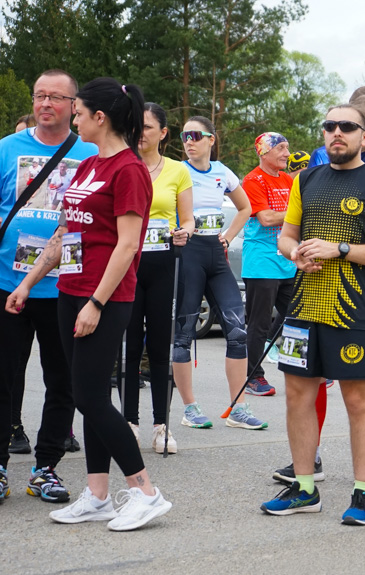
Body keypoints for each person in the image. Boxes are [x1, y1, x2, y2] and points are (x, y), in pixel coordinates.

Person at [7, 77, 172, 530]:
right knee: (88, 397)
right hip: (69, 291)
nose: (73, 117)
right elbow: (64, 236)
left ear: (100, 117)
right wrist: (28, 282)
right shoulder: (86, 167)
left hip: (105, 296)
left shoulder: (129, 169)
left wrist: (97, 302)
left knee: (90, 396)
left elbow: (126, 246)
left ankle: (145, 491)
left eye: (78, 112)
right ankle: (98, 493)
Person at [261, 104, 365, 525]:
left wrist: (338, 249)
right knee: (297, 394)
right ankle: (305, 487)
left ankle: (362, 493)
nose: (336, 132)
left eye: (347, 127)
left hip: (353, 309)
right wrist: (296, 255)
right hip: (303, 307)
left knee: (357, 400)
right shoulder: (306, 179)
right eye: (329, 126)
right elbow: (286, 237)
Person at [0, 70, 97, 504]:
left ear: (74, 105)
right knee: (4, 379)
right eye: (40, 95)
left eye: (57, 97)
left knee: (63, 381)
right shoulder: (6, 149)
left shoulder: (92, 153)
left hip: (67, 286)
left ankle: (46, 468)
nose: (46, 104)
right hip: (8, 283)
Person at [172, 116, 263, 430]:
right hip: (188, 253)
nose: (189, 140)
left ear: (212, 139)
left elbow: (245, 208)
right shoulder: (178, 171)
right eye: (185, 136)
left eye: (196, 135)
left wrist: (228, 235)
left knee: (238, 331)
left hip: (215, 253)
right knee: (183, 335)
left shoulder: (223, 172)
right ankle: (190, 407)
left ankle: (238, 407)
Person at [120, 102, 193, 453]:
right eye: (137, 126)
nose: (140, 133)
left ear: (163, 133)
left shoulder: (178, 170)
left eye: (147, 127)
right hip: (127, 263)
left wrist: (185, 232)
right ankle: (129, 422)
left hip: (163, 262)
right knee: (130, 346)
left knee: (160, 345)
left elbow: (188, 218)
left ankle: (161, 425)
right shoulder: (122, 165)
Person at [241, 132, 297, 396]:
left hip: (288, 261)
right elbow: (265, 218)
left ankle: (299, 367)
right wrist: (298, 212)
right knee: (259, 323)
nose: (287, 153)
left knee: (297, 317)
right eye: (282, 148)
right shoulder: (253, 180)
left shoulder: (288, 180)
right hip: (261, 261)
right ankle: (254, 377)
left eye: (287, 148)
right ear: (264, 152)